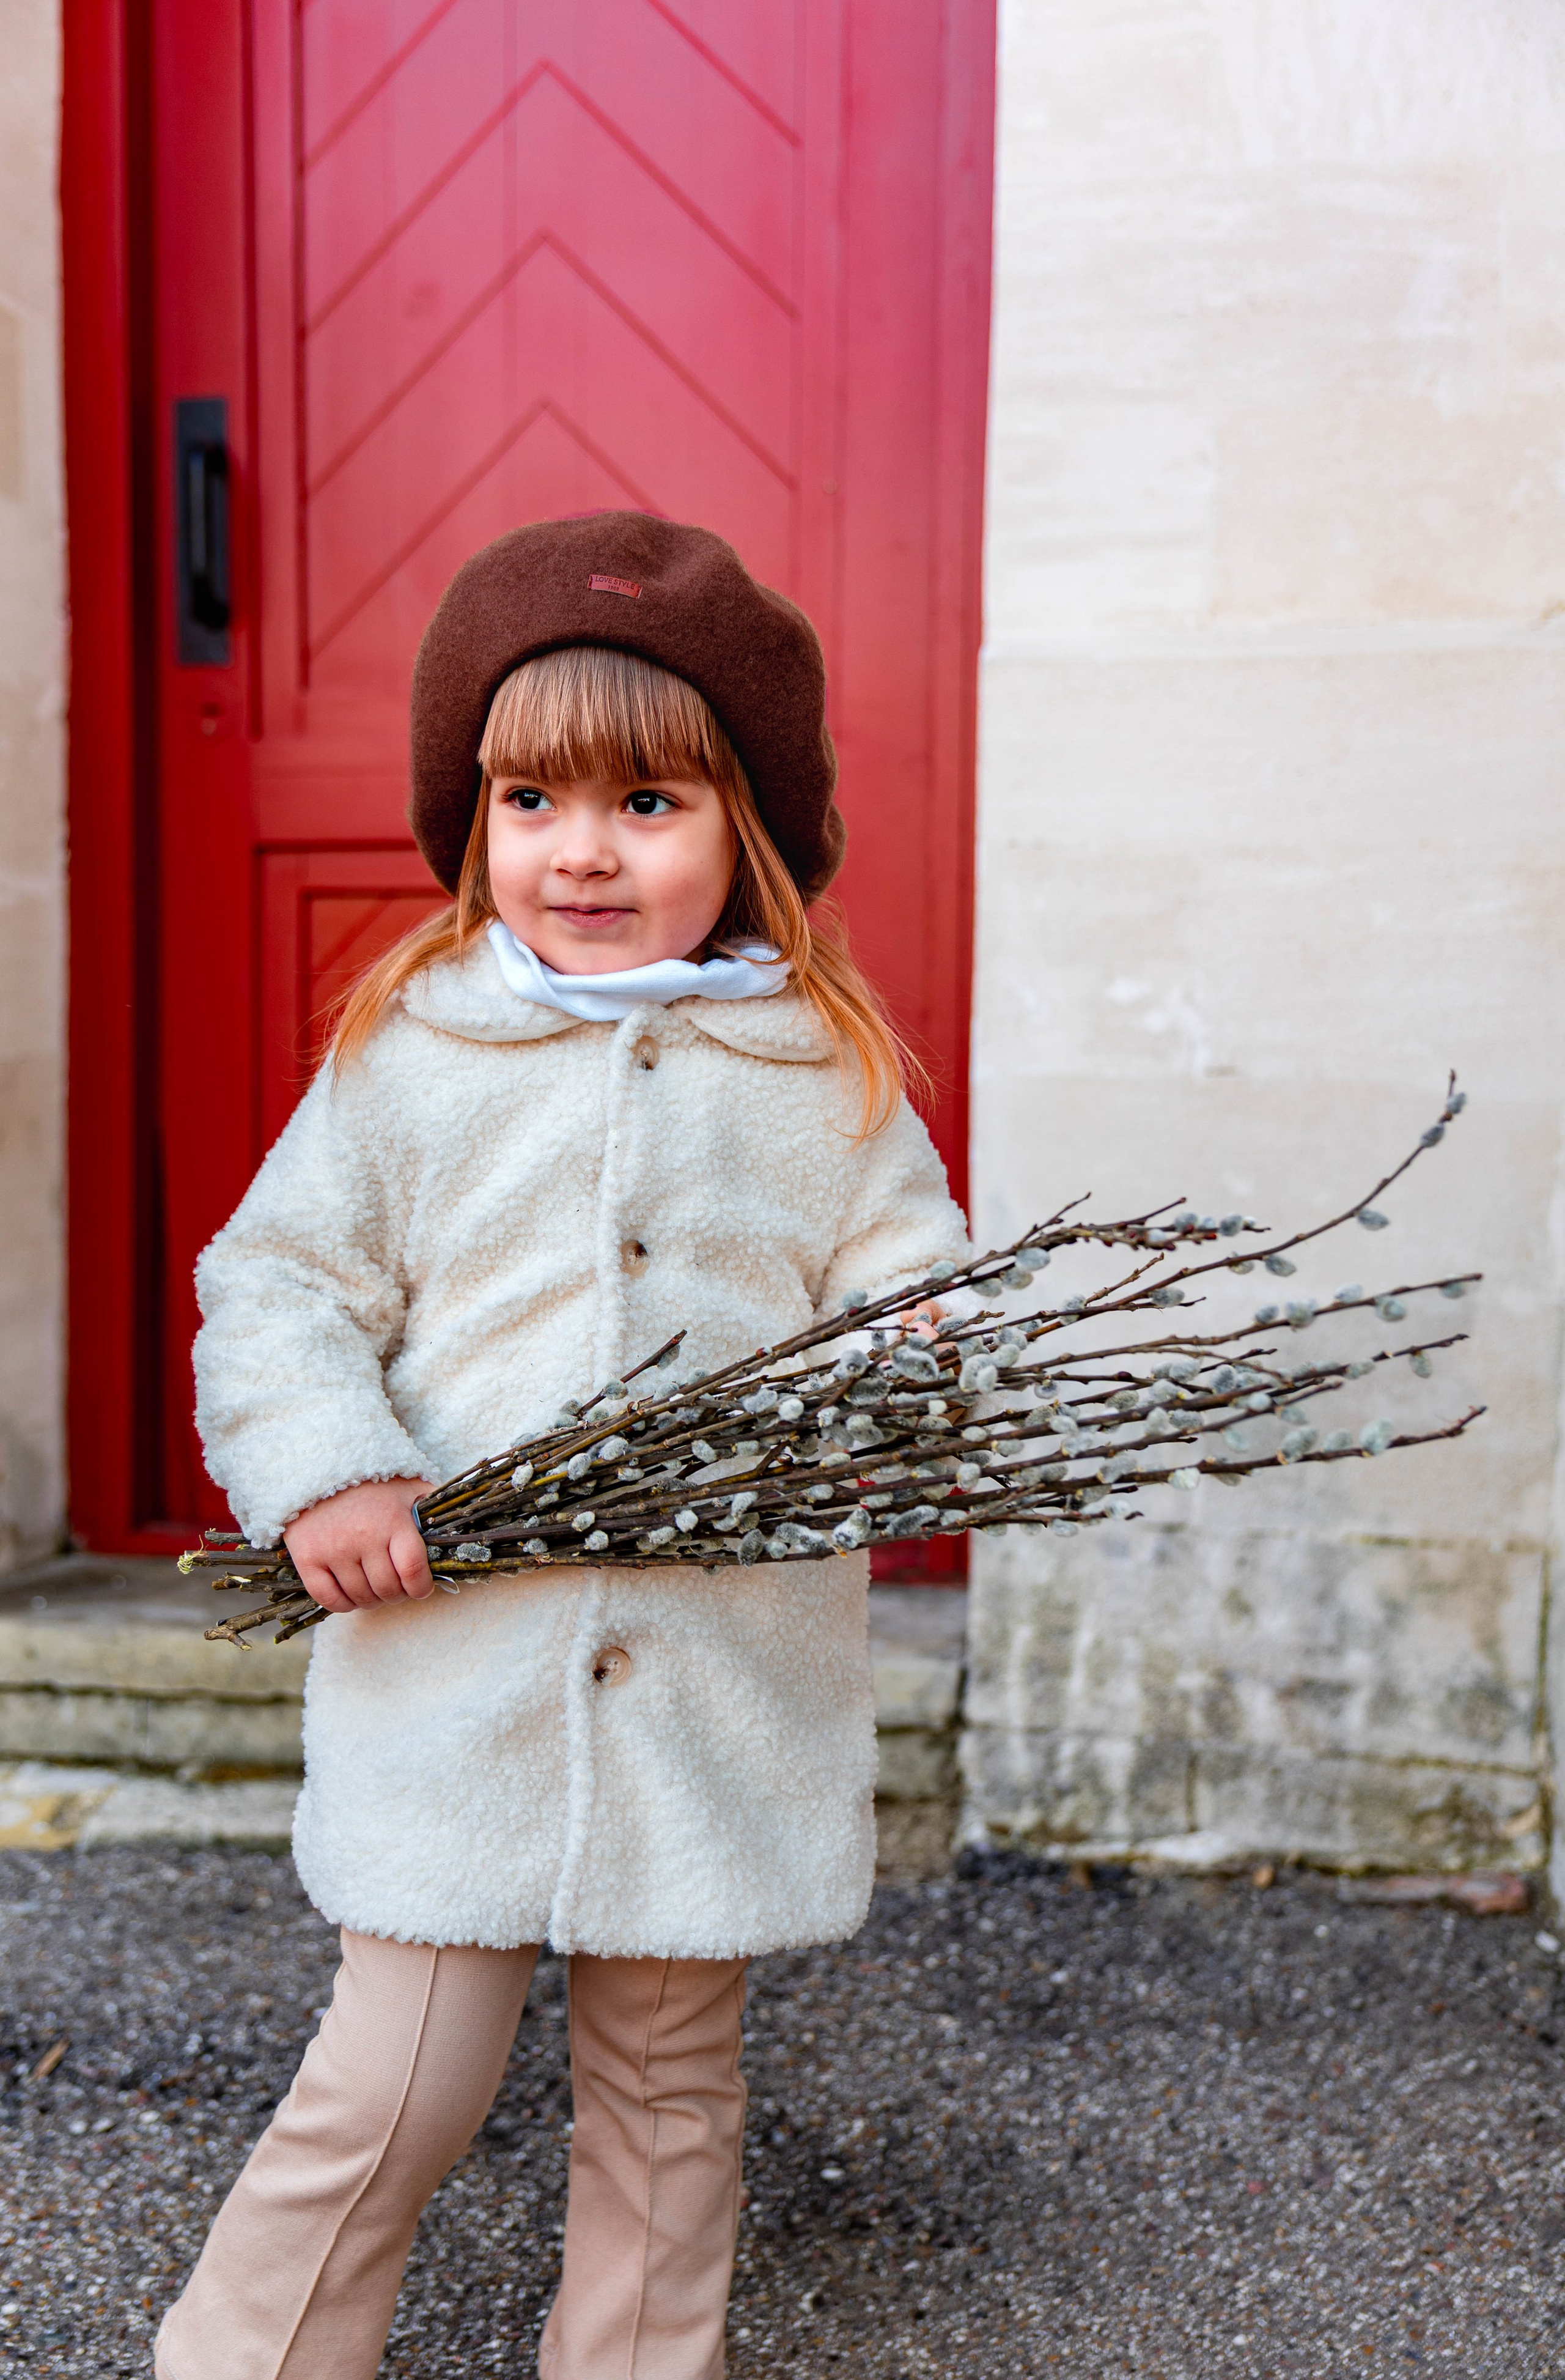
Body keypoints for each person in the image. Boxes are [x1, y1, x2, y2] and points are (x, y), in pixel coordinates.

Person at [155, 512, 968, 2380]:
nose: (581, 851)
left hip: (714, 1687)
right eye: (530, 799)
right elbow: (278, 1285)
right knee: (394, 2083)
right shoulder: (413, 1056)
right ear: (477, 826)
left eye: (648, 803)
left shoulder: (822, 1078)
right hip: (460, 1676)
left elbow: (917, 1291)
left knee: (676, 2099)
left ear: (745, 828)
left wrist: (919, 1371)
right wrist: (332, 1471)